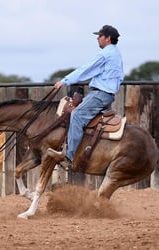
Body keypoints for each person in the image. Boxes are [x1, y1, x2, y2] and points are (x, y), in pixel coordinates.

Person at [47, 24, 124, 169]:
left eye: (100, 36)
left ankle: (68, 157)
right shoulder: (116, 53)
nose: (97, 38)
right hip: (106, 94)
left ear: (108, 38)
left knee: (76, 115)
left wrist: (64, 81)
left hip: (99, 94)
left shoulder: (105, 54)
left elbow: (86, 69)